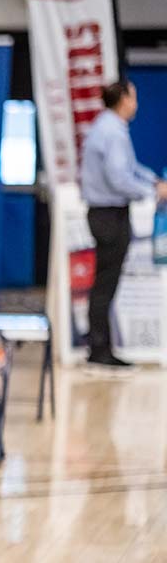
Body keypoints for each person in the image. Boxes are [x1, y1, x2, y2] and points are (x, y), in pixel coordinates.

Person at [79, 79, 167, 372]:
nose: (137, 104)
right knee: (105, 283)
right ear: (124, 100)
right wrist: (153, 191)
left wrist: (152, 181)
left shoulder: (107, 127)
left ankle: (100, 346)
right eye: (134, 97)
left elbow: (129, 169)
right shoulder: (112, 132)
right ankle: (100, 350)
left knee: (104, 282)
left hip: (105, 213)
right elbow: (119, 178)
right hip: (109, 215)